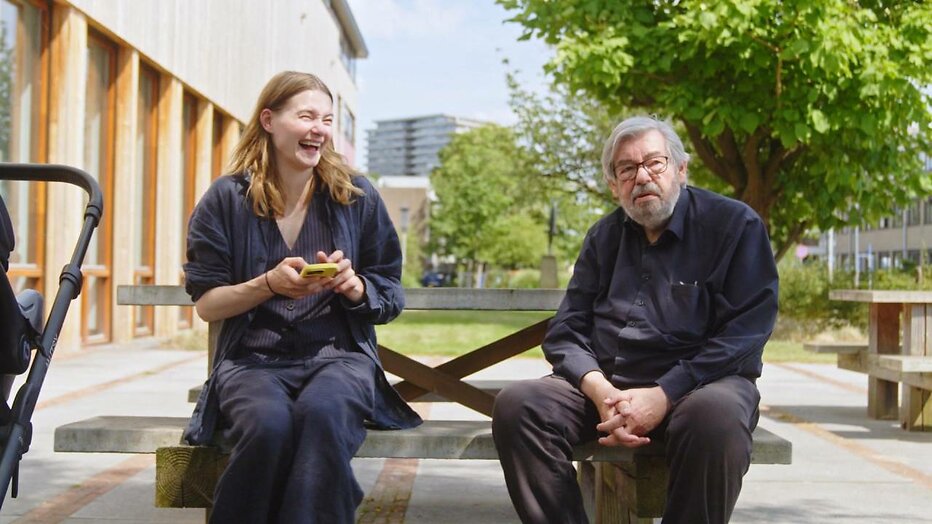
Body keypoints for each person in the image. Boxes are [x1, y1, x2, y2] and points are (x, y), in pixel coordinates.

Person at [492, 116, 778, 524]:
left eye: (655, 163)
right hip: (608, 391)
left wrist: (664, 393)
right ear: (614, 185)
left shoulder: (735, 226)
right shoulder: (602, 237)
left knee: (716, 419)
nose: (642, 176)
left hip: (699, 388)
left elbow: (746, 333)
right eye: (626, 169)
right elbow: (566, 332)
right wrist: (601, 392)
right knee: (519, 406)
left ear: (681, 169)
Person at [182, 71, 421, 524]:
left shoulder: (356, 196)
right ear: (269, 121)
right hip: (251, 361)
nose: (320, 129)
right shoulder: (225, 199)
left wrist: (356, 288)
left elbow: (389, 292)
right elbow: (207, 305)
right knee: (268, 426)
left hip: (340, 358)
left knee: (324, 417)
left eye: (327, 119)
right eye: (306, 115)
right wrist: (266, 284)